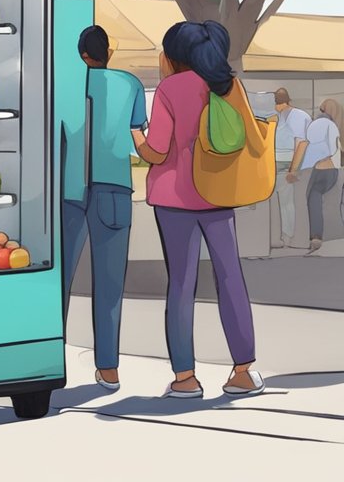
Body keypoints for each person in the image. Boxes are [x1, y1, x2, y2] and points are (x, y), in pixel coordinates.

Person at [133, 21, 262, 398]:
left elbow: (157, 150)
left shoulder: (170, 89)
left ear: (173, 56)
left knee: (182, 284)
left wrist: (136, 136)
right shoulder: (229, 85)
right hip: (219, 192)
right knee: (230, 277)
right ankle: (242, 371)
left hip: (175, 199)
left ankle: (185, 378)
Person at [62, 26, 146, 391]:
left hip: (69, 189)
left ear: (81, 54)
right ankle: (108, 368)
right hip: (114, 189)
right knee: (110, 284)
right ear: (108, 51)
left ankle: (50, 357)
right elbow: (137, 133)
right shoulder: (130, 84)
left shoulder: (66, 86)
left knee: (59, 281)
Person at [288, 98, 341, 256]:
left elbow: (305, 145)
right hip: (333, 171)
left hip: (317, 170)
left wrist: (295, 169)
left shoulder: (316, 124)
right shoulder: (335, 125)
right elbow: (334, 148)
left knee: (313, 200)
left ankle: (315, 236)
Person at [272, 88, 311, 248]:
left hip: (287, 163)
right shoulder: (282, 116)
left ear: (280, 103)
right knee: (284, 202)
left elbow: (301, 143)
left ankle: (287, 236)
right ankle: (282, 236)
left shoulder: (297, 116)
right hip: (278, 162)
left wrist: (293, 169)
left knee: (286, 202)